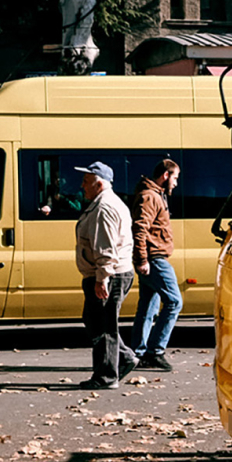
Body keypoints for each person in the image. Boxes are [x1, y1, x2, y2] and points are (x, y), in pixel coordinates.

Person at [72, 161, 136, 390]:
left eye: (86, 181)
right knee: (94, 321)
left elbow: (106, 248)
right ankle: (123, 359)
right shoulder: (103, 203)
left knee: (104, 326)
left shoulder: (103, 208)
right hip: (107, 273)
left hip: (110, 274)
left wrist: (103, 278)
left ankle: (107, 376)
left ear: (99, 184)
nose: (82, 186)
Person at [129, 159, 182, 371]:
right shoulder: (150, 196)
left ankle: (137, 353)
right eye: (175, 178)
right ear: (166, 175)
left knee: (148, 306)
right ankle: (155, 351)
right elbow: (139, 229)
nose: (177, 183)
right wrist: (141, 259)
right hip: (154, 258)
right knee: (174, 302)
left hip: (152, 258)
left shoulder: (154, 194)